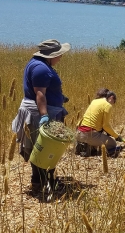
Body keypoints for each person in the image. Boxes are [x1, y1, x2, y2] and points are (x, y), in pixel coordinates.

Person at [12, 39, 71, 194]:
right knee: (44, 148)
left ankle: (43, 180)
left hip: (46, 108)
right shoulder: (41, 69)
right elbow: (39, 94)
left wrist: (59, 97)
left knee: (42, 147)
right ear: (50, 55)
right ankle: (41, 182)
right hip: (40, 113)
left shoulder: (40, 64)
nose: (61, 57)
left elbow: (42, 90)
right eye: (59, 55)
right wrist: (44, 116)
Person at [76, 89, 123, 156]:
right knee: (112, 143)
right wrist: (116, 136)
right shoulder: (107, 105)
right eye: (114, 102)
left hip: (78, 133)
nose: (113, 104)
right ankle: (88, 147)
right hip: (89, 135)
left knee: (98, 134)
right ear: (111, 98)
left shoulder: (94, 101)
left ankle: (86, 147)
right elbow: (106, 126)